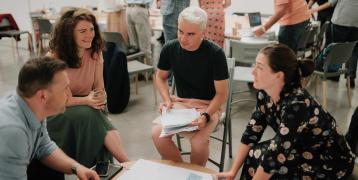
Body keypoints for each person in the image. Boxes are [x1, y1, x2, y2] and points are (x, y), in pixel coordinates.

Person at [217, 43, 355, 179]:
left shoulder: (297, 104)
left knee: (274, 168)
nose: (253, 71)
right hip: (299, 147)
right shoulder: (264, 93)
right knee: (255, 153)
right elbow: (252, 132)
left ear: (278, 76)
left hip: (331, 159)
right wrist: (232, 171)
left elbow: (276, 156)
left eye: (259, 67)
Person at [46, 8, 129, 168]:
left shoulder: (95, 52)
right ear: (69, 34)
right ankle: (126, 163)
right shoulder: (54, 57)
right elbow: (65, 100)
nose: (89, 35)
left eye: (91, 29)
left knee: (94, 114)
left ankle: (110, 168)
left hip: (87, 106)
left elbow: (99, 87)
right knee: (90, 114)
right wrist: (88, 100)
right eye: (83, 31)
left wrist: (101, 97)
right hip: (57, 112)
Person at [151, 6, 229, 166]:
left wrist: (206, 116)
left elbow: (221, 94)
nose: (183, 38)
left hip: (208, 106)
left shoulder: (215, 54)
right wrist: (167, 100)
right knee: (157, 133)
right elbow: (160, 77)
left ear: (203, 32)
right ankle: (183, 171)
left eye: (190, 34)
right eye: (180, 31)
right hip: (181, 103)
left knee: (199, 143)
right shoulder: (170, 48)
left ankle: (196, 173)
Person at [0, 56, 99, 180]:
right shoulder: (12, 132)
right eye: (65, 88)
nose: (69, 94)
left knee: (49, 170)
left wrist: (77, 168)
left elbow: (44, 147)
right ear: (42, 96)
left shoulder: (33, 106)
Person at [331, 0, 358, 88]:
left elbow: (332, 2)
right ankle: (351, 77)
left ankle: (334, 74)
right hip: (356, 22)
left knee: (337, 48)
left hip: (341, 20)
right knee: (353, 51)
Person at [126, 0, 153, 64]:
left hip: (129, 9)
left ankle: (139, 71)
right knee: (145, 46)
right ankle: (149, 72)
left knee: (134, 47)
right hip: (139, 9)